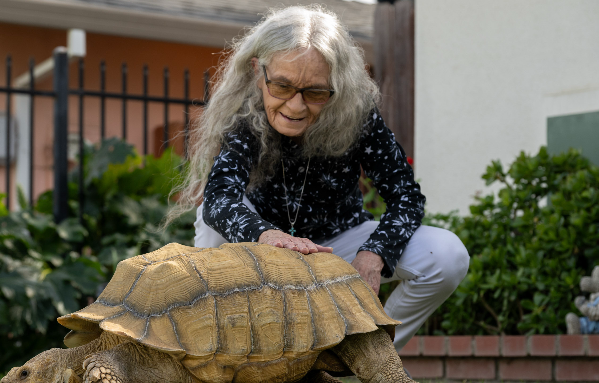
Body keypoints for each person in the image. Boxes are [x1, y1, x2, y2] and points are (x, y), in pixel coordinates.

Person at [167, 5, 469, 354]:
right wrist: (267, 235)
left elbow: (406, 196)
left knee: (447, 256)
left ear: (336, 85)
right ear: (257, 71)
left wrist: (374, 255)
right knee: (210, 217)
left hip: (338, 245)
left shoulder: (357, 114)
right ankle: (206, 356)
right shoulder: (245, 115)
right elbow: (220, 197)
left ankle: (366, 354)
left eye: (314, 93)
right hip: (261, 250)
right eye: (281, 86)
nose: (295, 107)